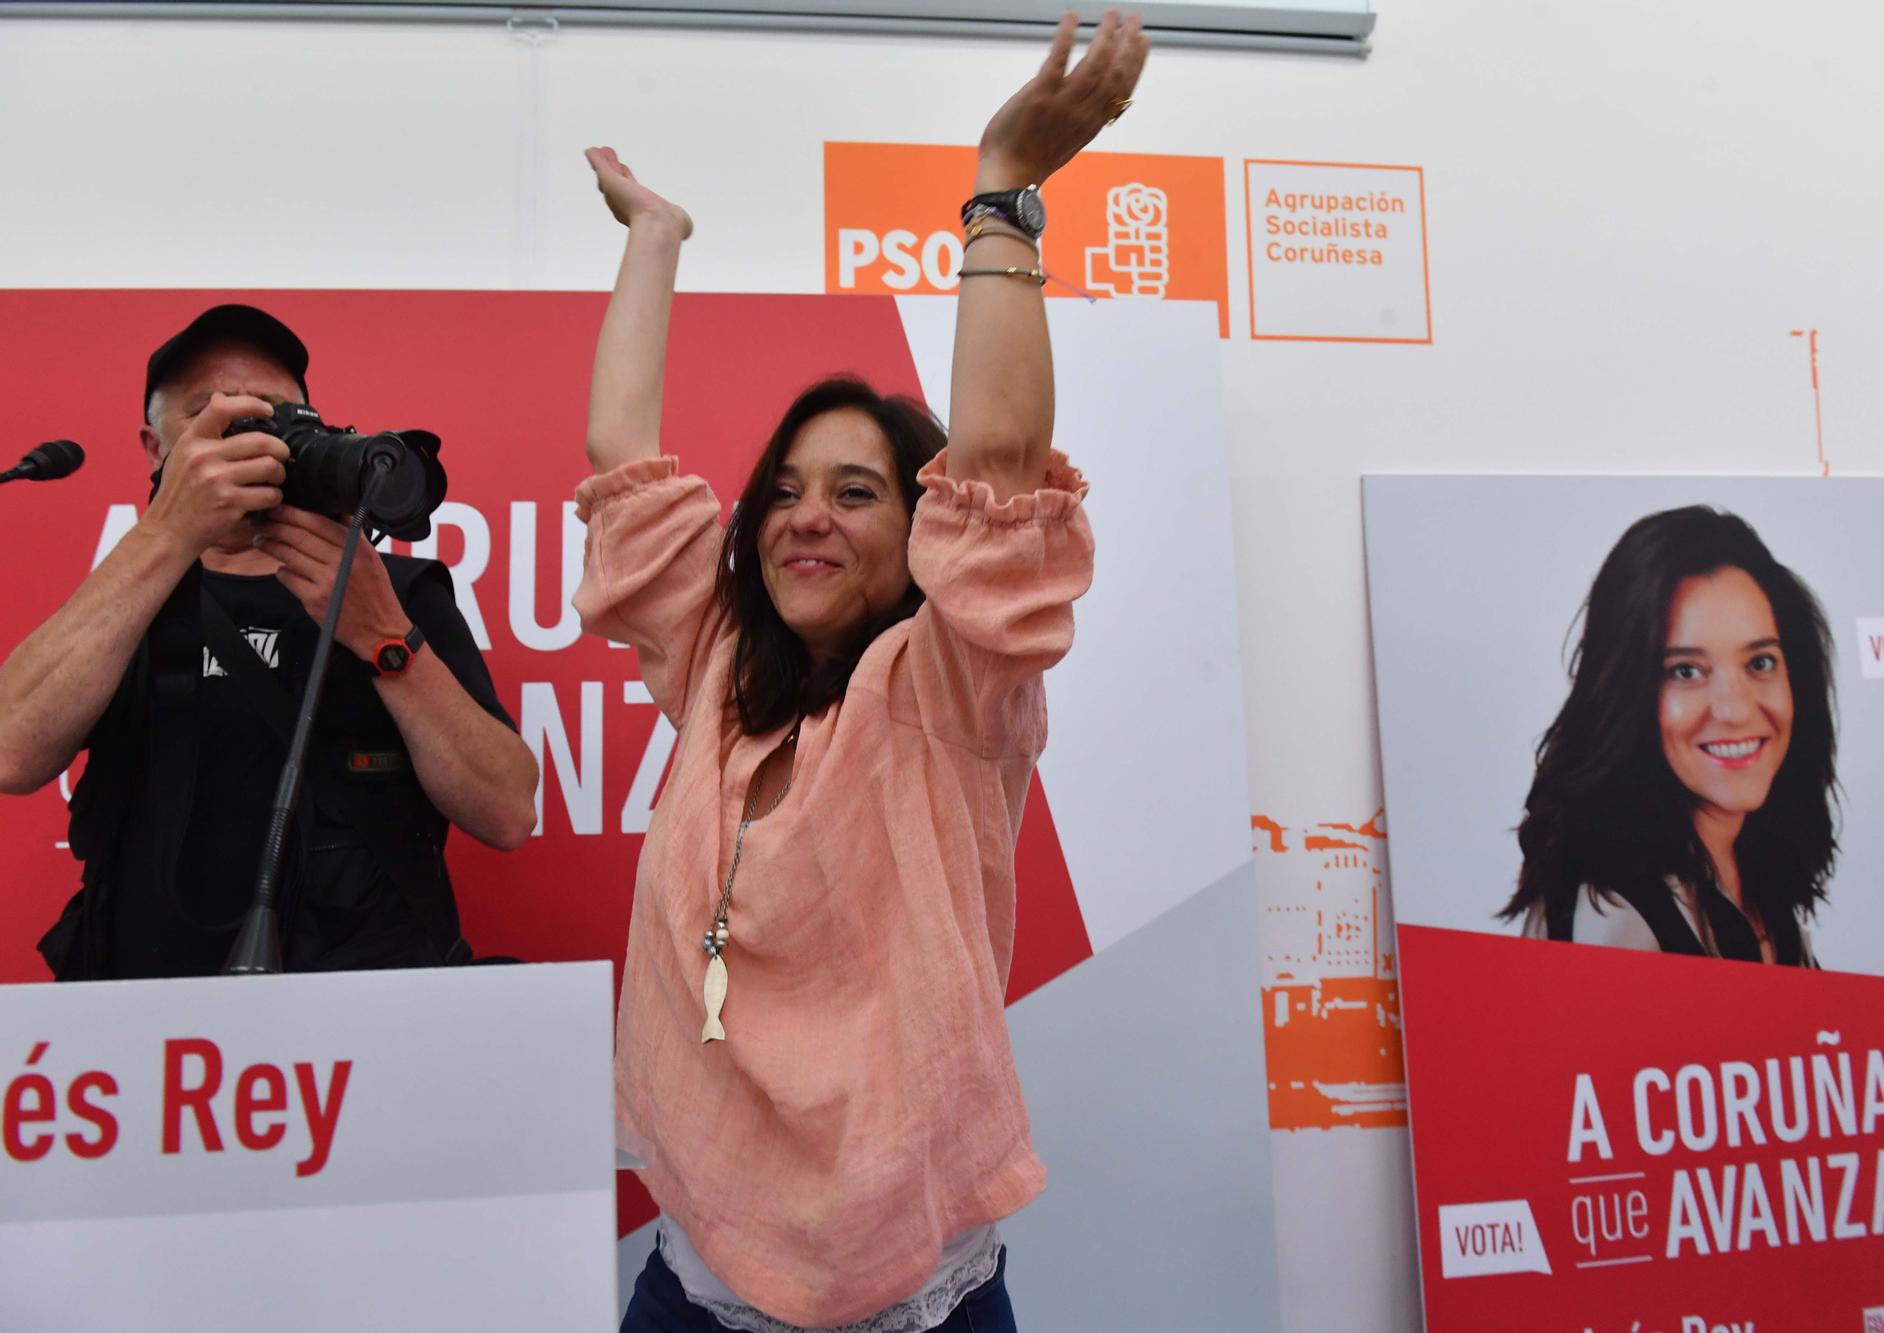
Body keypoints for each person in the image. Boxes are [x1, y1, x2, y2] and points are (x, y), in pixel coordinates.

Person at [575, 11, 1147, 1330]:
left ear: (920, 536)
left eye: (853, 490)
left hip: (918, 1304)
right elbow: (621, 453)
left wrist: (1004, 186)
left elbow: (999, 469)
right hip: (693, 1288)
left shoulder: (950, 691)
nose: (806, 516)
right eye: (782, 490)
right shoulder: (718, 669)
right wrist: (656, 239)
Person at [0, 304, 538, 978]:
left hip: (367, 1012)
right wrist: (167, 536)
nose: (247, 437)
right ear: (153, 447)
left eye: (272, 415)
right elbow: (11, 753)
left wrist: (384, 638)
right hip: (151, 1020)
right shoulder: (126, 593)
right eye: (213, 416)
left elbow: (509, 809)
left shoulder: (396, 589)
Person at [1504, 505, 1837, 966]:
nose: (1737, 709)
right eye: (1686, 671)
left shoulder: (1754, 886)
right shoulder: (1621, 914)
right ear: (1626, 691)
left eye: (1760, 662)